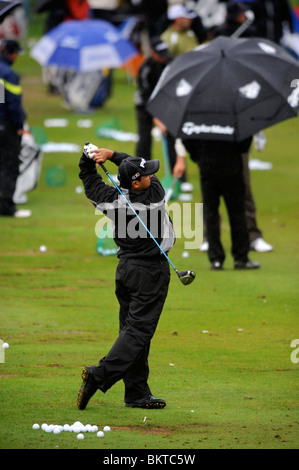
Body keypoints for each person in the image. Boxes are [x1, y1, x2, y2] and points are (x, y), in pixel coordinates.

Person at [77, 143, 175, 409]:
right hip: (151, 272)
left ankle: (136, 392)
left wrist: (88, 160)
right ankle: (99, 375)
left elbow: (90, 182)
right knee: (138, 332)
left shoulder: (112, 200)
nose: (152, 176)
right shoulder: (155, 194)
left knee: (132, 331)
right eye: (146, 174)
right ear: (138, 182)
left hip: (126, 271)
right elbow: (130, 165)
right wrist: (112, 155)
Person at [174, 137, 261, 270]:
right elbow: (245, 141)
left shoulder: (201, 117)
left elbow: (188, 139)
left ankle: (216, 259)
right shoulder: (234, 116)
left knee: (211, 213)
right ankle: (240, 258)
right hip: (232, 168)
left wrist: (198, 156)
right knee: (236, 213)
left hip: (208, 168)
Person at [0, 38, 31, 218]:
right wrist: (19, 126)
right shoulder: (8, 74)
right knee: (9, 165)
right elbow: (12, 104)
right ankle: (6, 207)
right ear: (12, 54)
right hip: (5, 126)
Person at [135, 37, 173, 161]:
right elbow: (146, 95)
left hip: (165, 103)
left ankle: (178, 175)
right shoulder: (146, 69)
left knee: (172, 136)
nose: (164, 57)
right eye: (160, 55)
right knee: (145, 138)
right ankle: (141, 168)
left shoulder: (170, 63)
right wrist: (156, 118)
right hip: (145, 105)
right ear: (152, 53)